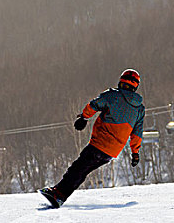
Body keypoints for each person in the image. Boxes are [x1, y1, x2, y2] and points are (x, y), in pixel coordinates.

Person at [39, 69, 145, 208]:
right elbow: (137, 133)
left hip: (99, 144)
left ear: (121, 81)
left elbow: (94, 104)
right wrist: (135, 153)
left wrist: (84, 117)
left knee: (77, 169)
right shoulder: (139, 109)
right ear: (135, 86)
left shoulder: (112, 96)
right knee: (82, 170)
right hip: (112, 152)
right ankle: (60, 195)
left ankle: (58, 195)